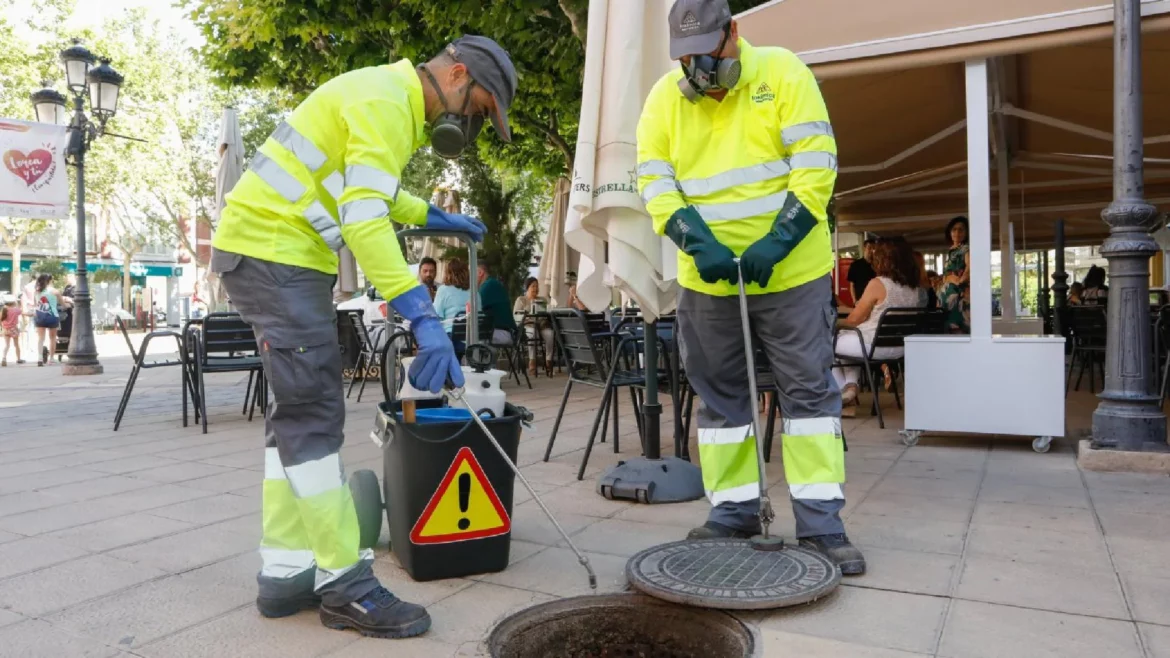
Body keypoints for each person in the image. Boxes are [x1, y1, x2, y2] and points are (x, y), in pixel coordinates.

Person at [209, 35, 516, 639]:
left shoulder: (384, 92)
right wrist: (422, 316)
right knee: (315, 416)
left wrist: (432, 214)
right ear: (456, 75)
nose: (473, 125)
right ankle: (345, 584)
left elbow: (369, 194)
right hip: (277, 257)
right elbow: (364, 219)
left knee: (294, 419)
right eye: (479, 109)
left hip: (268, 254)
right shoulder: (388, 106)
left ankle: (286, 571)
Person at [637, 0, 864, 575]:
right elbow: (656, 182)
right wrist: (693, 238)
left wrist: (779, 239)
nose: (699, 71)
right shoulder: (664, 99)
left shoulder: (784, 72)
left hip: (790, 273)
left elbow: (816, 165)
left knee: (808, 396)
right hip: (706, 279)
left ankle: (821, 525)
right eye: (686, 59)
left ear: (733, 32)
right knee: (720, 399)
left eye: (708, 54)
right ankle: (732, 512)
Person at [834, 240, 925, 415]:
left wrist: (832, 322)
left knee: (827, 343)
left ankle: (845, 395)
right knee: (843, 343)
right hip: (899, 348)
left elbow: (853, 320)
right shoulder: (914, 288)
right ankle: (851, 388)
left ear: (884, 260)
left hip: (871, 345)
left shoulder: (878, 283)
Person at [514, 277, 554, 375]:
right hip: (528, 326)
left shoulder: (542, 300)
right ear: (527, 288)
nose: (535, 289)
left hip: (542, 325)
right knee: (532, 334)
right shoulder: (521, 300)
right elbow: (516, 316)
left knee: (550, 334)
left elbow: (548, 313)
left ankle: (549, 360)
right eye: (533, 286)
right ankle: (532, 361)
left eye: (537, 286)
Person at [940, 216, 971, 333]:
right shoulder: (952, 250)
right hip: (946, 298)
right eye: (954, 229)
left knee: (958, 329)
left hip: (958, 296)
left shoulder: (966, 249)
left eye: (961, 229)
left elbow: (970, 266)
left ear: (966, 232)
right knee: (948, 330)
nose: (957, 232)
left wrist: (961, 280)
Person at [476, 261, 516, 346]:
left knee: (471, 339)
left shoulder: (488, 286)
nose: (469, 277)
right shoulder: (492, 283)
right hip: (503, 332)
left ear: (480, 273)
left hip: (502, 333)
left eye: (471, 272)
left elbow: (474, 309)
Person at [847, 237, 877, 305]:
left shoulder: (877, 265)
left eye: (874, 248)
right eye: (869, 248)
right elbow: (852, 285)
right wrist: (854, 301)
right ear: (864, 248)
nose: (872, 251)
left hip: (875, 300)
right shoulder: (855, 265)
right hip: (860, 300)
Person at [1, 296, 23, 366]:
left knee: (7, 345)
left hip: (5, 330)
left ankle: (4, 358)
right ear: (13, 303)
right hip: (14, 329)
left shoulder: (3, 310)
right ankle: (18, 359)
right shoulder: (15, 310)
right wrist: (19, 303)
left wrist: (3, 327)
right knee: (16, 345)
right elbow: (21, 311)